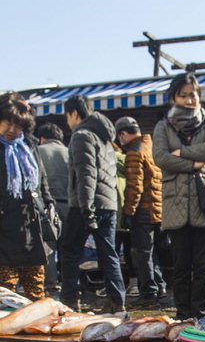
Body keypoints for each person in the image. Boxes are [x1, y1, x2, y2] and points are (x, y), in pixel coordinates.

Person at [152, 73, 205, 319]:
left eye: (192, 94)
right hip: (176, 204)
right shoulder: (163, 126)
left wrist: (181, 152)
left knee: (203, 268)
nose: (189, 99)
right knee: (181, 267)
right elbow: (161, 157)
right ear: (174, 98)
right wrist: (193, 164)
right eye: (183, 95)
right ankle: (183, 316)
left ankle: (200, 315)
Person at [60, 95, 126, 312]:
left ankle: (70, 301)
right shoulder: (106, 139)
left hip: (85, 203)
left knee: (69, 250)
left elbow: (86, 174)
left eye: (67, 116)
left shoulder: (81, 135)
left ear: (74, 114)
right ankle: (117, 303)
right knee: (108, 253)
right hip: (108, 203)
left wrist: (86, 208)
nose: (67, 122)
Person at [0, 92, 54, 300]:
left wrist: (48, 202)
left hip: (30, 222)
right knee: (5, 291)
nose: (13, 130)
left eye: (19, 125)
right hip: (4, 226)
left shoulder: (29, 144)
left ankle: (36, 328)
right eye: (8, 123)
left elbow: (42, 178)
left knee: (36, 290)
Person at [115, 116, 166, 308]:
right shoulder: (153, 147)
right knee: (153, 253)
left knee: (141, 254)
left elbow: (134, 187)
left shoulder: (135, 152)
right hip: (158, 209)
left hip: (143, 210)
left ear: (123, 134)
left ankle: (148, 294)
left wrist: (128, 212)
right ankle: (160, 287)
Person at [37, 122, 68, 293]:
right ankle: (70, 283)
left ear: (42, 138)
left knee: (48, 245)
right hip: (70, 204)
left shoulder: (39, 151)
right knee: (69, 247)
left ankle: (51, 284)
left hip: (48, 206)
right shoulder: (69, 151)